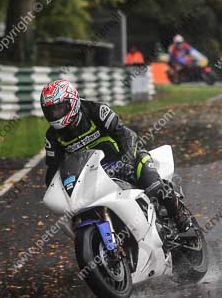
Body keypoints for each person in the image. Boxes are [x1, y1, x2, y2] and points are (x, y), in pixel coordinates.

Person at [40, 79, 194, 233]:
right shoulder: (52, 136)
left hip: (127, 158)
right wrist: (56, 195)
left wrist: (127, 161)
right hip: (95, 175)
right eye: (51, 111)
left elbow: (126, 135)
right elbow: (54, 168)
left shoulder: (96, 110)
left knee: (153, 186)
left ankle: (179, 216)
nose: (55, 114)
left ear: (71, 102)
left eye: (59, 109)